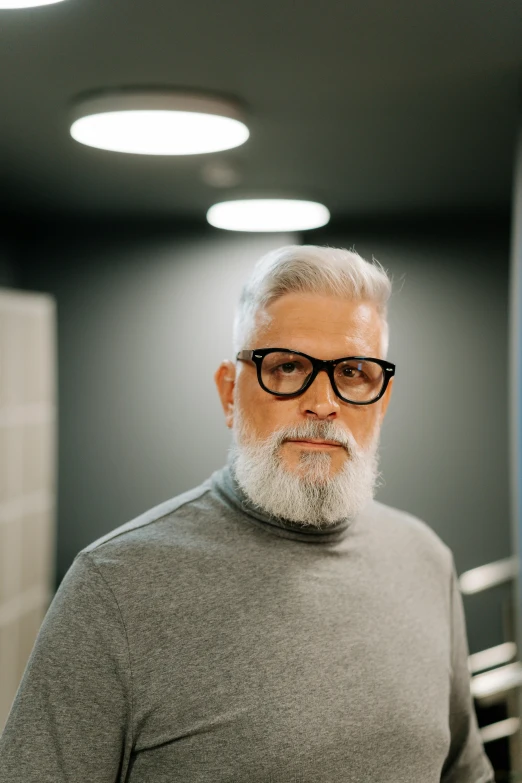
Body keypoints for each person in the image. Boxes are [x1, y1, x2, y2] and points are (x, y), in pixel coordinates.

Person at [0, 244, 494, 782]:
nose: (323, 402)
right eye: (287, 367)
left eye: (353, 372)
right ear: (229, 394)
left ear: (382, 398)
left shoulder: (425, 559)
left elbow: (464, 770)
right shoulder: (115, 588)